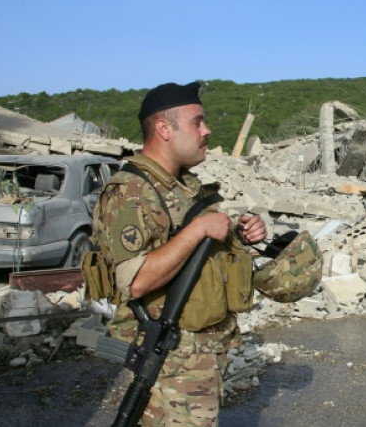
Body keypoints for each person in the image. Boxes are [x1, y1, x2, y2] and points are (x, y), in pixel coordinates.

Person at [93, 81, 266, 426]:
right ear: (163, 129)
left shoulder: (185, 187)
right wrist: (199, 230)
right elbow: (137, 280)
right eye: (197, 122)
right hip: (170, 360)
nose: (207, 130)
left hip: (200, 354)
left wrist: (242, 235)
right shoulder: (130, 192)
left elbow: (197, 256)